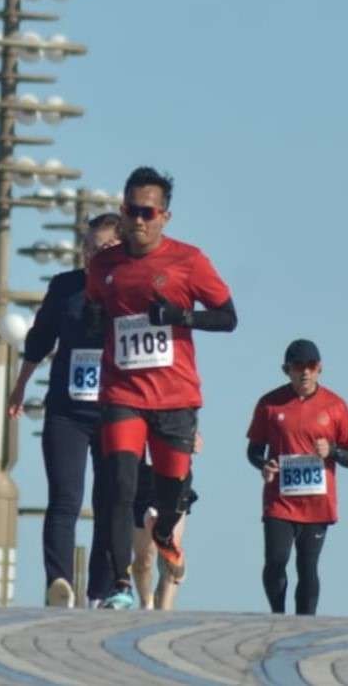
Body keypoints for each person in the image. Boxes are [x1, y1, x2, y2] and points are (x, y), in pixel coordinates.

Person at [85, 167, 237, 610]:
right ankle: (118, 584)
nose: (138, 220)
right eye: (130, 210)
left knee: (172, 492)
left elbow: (227, 317)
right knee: (119, 485)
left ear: (164, 216)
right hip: (122, 393)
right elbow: (96, 305)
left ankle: (167, 531)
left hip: (175, 397)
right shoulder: (104, 265)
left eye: (147, 212)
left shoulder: (188, 261)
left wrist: (181, 317)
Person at [8, 212, 122, 608]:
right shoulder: (65, 287)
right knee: (65, 498)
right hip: (66, 410)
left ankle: (101, 590)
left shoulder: (132, 289)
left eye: (104, 248)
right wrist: (20, 385)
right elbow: (39, 340)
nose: (94, 255)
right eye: (88, 248)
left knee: (110, 501)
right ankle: (58, 583)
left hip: (116, 411)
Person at [247, 339, 348, 616]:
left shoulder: (336, 406)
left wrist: (332, 450)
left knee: (307, 566)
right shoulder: (270, 404)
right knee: (276, 561)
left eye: (311, 367)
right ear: (287, 370)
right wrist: (264, 464)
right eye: (298, 367)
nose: (305, 373)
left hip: (317, 503)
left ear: (320, 369)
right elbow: (253, 450)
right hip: (280, 500)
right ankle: (277, 614)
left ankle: (304, 624)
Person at [131, 433, 200, 610]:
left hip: (175, 480)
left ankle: (165, 611)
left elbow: (187, 415)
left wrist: (194, 435)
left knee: (170, 550)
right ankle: (146, 603)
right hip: (141, 482)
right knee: (143, 561)